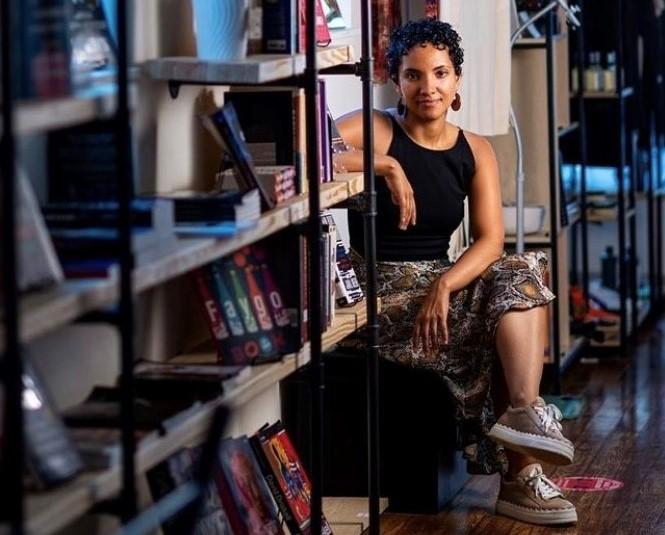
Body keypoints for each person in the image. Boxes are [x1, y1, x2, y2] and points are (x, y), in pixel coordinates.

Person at [334, 18, 577, 526]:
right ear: (396, 80)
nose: (429, 87)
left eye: (440, 73)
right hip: (379, 291)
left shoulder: (476, 149)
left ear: (458, 80)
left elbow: (490, 240)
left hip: (439, 283)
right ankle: (520, 475)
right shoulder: (377, 128)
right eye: (414, 75)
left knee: (522, 269)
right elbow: (309, 148)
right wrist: (385, 167)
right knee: (501, 311)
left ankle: (523, 417)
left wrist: (446, 282)